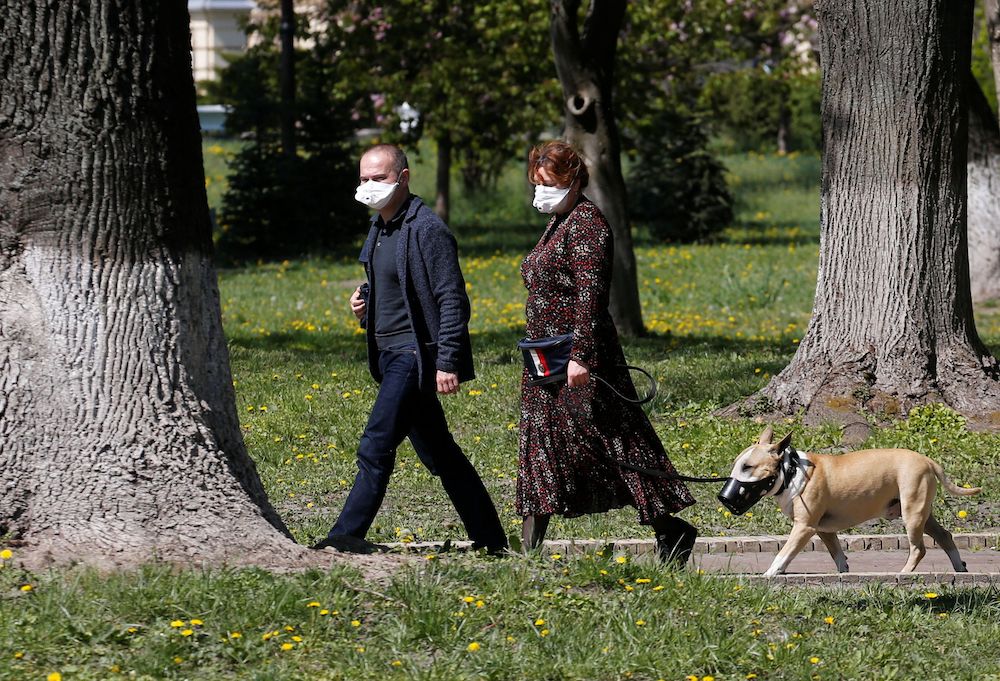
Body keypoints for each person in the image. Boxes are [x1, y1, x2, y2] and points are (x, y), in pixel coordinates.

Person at [312, 144, 507, 555]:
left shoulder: (426, 229)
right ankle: (492, 539)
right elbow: (394, 290)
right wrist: (364, 306)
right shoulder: (380, 227)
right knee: (442, 455)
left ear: (402, 178)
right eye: (363, 178)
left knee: (375, 445)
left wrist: (447, 360)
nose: (369, 186)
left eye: (378, 178)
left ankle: (345, 537)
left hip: (413, 357)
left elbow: (452, 298)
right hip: (388, 355)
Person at [517, 140, 698, 565]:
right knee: (541, 444)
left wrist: (581, 356)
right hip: (544, 359)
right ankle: (529, 551)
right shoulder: (557, 223)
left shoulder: (587, 225)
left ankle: (671, 529)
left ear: (574, 180)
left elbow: (591, 298)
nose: (540, 191)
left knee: (612, 443)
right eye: (536, 183)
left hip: (578, 359)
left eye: (549, 183)